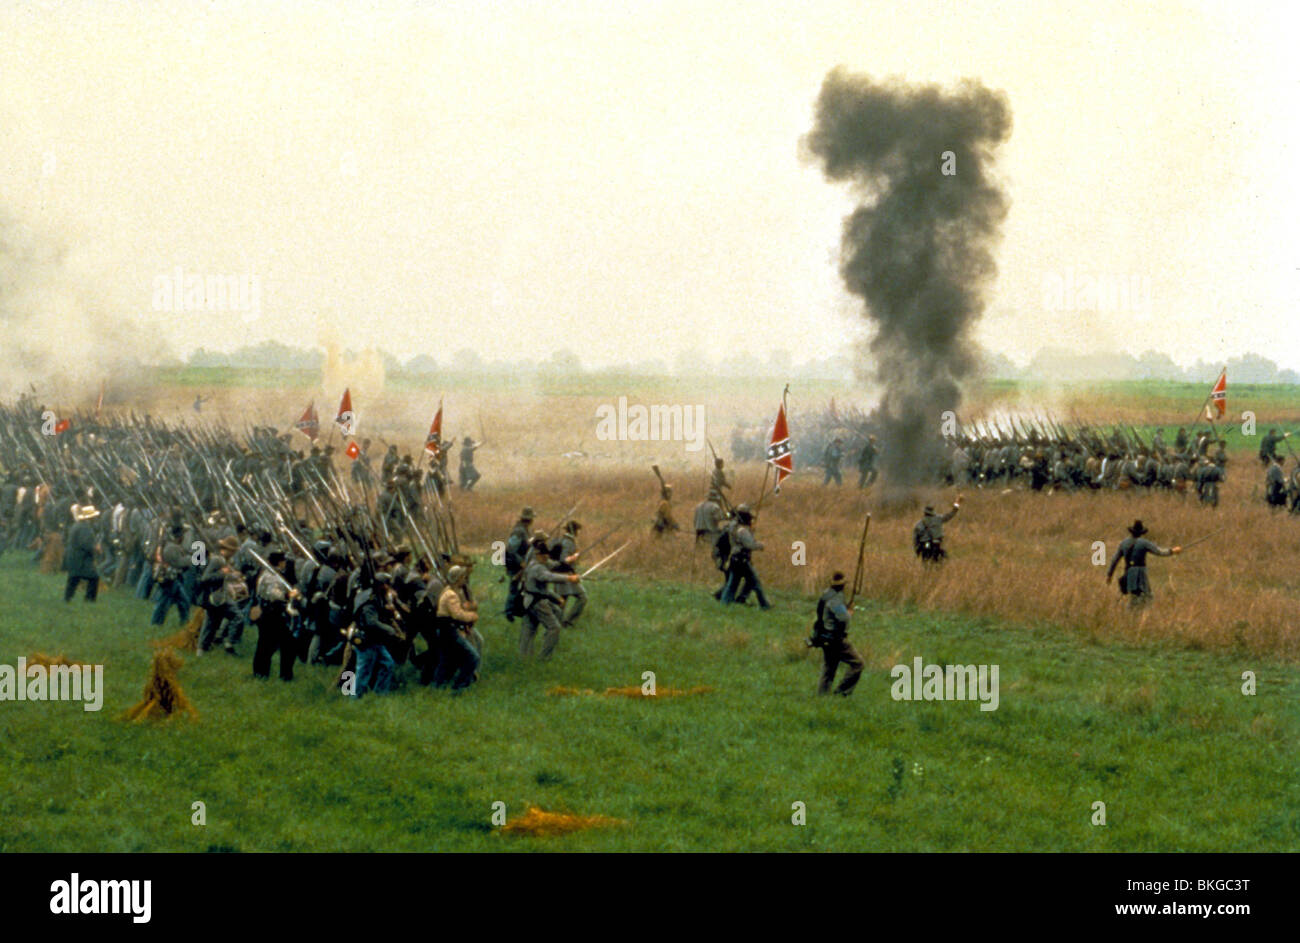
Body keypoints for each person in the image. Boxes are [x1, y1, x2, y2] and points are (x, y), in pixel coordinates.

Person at [519, 533, 580, 660]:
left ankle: (524, 658)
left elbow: (555, 565)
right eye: (545, 555)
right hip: (536, 603)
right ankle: (544, 658)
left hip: (529, 601)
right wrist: (569, 578)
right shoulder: (537, 568)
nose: (547, 557)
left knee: (529, 630)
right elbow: (550, 577)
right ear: (539, 555)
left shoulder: (539, 563)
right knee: (554, 628)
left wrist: (568, 562)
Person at [808, 571, 863, 696]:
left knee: (829, 668)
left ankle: (822, 696)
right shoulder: (836, 600)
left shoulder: (826, 594)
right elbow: (844, 618)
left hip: (824, 637)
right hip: (835, 639)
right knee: (858, 664)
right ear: (842, 585)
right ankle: (841, 692)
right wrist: (850, 611)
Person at [1105, 519, 1181, 607]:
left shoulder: (1124, 543)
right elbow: (1159, 552)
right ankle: (1136, 615)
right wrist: (1172, 551)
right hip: (1140, 573)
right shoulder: (1144, 543)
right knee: (1146, 597)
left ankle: (1134, 615)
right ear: (1141, 532)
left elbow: (1114, 560)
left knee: (1135, 596)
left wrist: (1109, 575)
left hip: (1128, 572)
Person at [251, 550, 300, 681]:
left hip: (269, 613)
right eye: (283, 561)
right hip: (272, 614)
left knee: (267, 645)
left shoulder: (269, 574)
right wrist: (288, 595)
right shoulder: (271, 577)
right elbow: (274, 594)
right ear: (280, 562)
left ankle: (263, 673)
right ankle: (277, 674)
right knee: (275, 645)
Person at [434, 565, 480, 691]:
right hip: (449, 631)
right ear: (458, 578)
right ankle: (459, 686)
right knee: (472, 657)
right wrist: (472, 616)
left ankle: (438, 687)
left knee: (447, 660)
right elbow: (457, 614)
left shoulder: (449, 591)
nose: (464, 580)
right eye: (463, 577)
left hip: (445, 630)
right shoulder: (451, 595)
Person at [720, 505, 770, 609]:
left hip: (735, 560)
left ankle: (725, 603)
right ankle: (764, 605)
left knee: (732, 585)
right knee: (755, 583)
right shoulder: (742, 531)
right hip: (742, 561)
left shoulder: (733, 527)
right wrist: (760, 545)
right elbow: (750, 545)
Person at [63, 505, 101, 602]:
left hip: (74, 557)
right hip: (81, 558)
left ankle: (67, 598)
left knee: (73, 579)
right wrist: (95, 548)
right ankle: (89, 599)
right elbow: (86, 544)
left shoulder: (77, 525)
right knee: (94, 578)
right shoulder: (85, 528)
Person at [552, 520, 586, 627]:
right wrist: (574, 557)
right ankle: (566, 622)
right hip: (565, 575)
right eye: (578, 531)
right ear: (574, 531)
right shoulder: (568, 542)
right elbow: (564, 560)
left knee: (562, 602)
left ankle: (558, 624)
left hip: (561, 575)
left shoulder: (562, 540)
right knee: (582, 597)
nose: (579, 533)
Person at [502, 506, 534, 621]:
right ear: (530, 520)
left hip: (520, 564)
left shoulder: (524, 530)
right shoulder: (519, 531)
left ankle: (517, 609)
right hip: (515, 565)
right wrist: (521, 563)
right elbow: (511, 550)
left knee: (521, 588)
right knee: (514, 588)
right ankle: (509, 611)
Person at [912, 498, 961, 564]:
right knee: (938, 563)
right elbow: (950, 515)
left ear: (924, 513)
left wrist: (917, 551)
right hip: (936, 545)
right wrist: (957, 504)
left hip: (924, 546)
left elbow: (916, 539)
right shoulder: (938, 519)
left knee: (926, 564)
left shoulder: (919, 524)